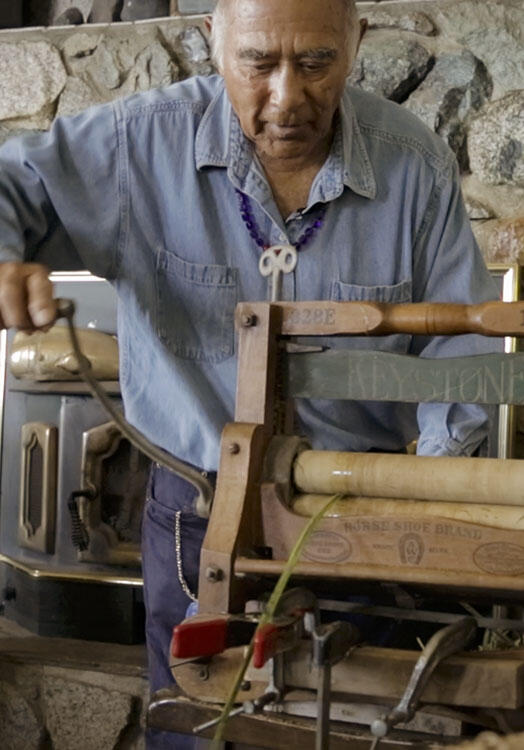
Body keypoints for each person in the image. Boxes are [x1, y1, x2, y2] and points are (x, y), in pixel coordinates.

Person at [0, 0, 497, 747]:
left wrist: (434, 483)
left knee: (363, 725)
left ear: (356, 42)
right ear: (214, 42)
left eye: (317, 62)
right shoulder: (142, 144)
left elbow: (463, 350)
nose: (287, 96)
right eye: (258, 63)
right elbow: (10, 180)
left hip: (365, 516)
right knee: (199, 728)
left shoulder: (413, 162)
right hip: (198, 513)